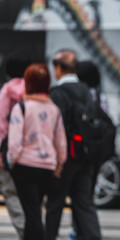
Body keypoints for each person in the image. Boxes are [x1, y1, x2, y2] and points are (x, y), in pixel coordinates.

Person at [46, 49, 102, 240]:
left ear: (58, 68)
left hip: (65, 156)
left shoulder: (57, 93)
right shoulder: (86, 91)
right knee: (84, 202)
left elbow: (54, 127)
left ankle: (49, 236)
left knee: (55, 202)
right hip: (85, 154)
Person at [7, 63, 67, 240]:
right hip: (47, 167)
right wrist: (59, 164)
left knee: (31, 212)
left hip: (24, 165)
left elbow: (15, 143)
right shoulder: (54, 110)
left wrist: (11, 162)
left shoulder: (22, 108)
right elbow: (61, 142)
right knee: (35, 208)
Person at [0, 50, 30, 240]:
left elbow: (1, 124)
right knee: (30, 196)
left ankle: (25, 233)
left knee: (11, 193)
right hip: (33, 154)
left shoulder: (7, 91)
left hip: (9, 150)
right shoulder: (36, 89)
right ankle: (35, 230)